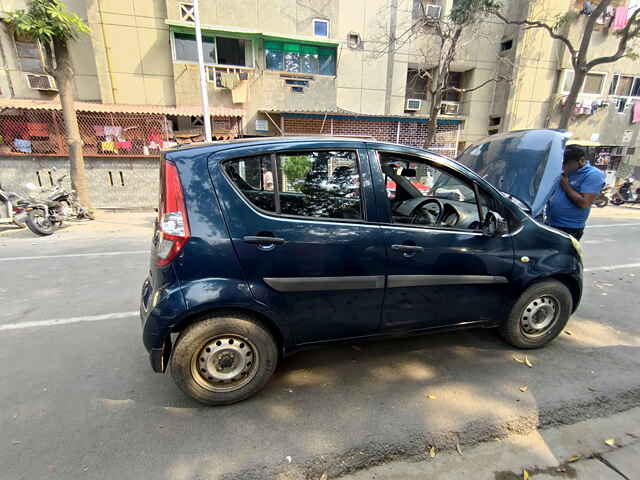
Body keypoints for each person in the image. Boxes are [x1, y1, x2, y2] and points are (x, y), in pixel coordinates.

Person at [547, 145, 605, 240]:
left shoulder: (593, 175)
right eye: (562, 163)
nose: (563, 167)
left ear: (581, 160)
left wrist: (566, 185)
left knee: (563, 254)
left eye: (567, 164)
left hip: (570, 227)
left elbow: (584, 203)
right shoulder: (564, 172)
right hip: (550, 222)